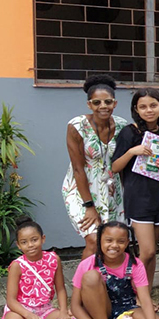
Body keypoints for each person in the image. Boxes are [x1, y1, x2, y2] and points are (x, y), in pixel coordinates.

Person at [112, 88, 159, 313]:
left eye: (153, 105)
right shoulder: (129, 132)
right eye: (143, 106)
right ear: (136, 109)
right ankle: (136, 297)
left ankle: (145, 295)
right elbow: (115, 167)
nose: (149, 110)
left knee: (152, 252)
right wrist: (132, 152)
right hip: (138, 198)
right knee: (145, 252)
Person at [70, 221, 159, 319]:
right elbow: (75, 306)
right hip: (101, 310)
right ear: (100, 241)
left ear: (127, 243)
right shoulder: (87, 263)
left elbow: (145, 299)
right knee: (91, 277)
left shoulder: (135, 264)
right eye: (109, 240)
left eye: (120, 241)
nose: (114, 245)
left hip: (127, 307)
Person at [62, 74, 128, 260]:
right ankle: (82, 287)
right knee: (93, 240)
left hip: (111, 190)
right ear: (89, 105)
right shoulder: (77, 126)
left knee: (111, 242)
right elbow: (77, 168)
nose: (103, 106)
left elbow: (122, 165)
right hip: (82, 188)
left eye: (107, 102)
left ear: (114, 103)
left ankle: (106, 285)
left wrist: (126, 195)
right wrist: (89, 206)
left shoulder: (123, 125)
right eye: (97, 102)